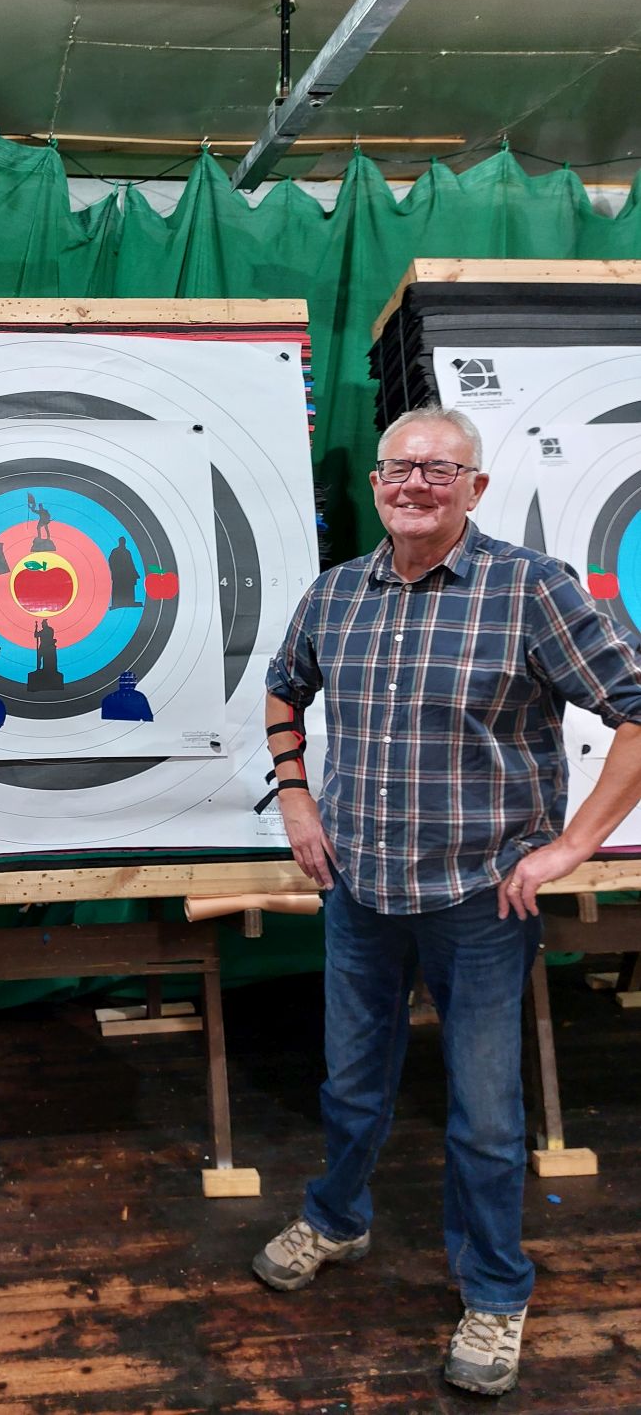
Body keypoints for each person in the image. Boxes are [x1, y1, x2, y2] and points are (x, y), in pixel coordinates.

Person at [254, 406, 641, 1397]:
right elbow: (284, 684)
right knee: (349, 1084)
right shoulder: (336, 593)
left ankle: (497, 1291)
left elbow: (636, 710)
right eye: (400, 468)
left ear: (475, 487)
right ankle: (337, 1219)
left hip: (481, 901)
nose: (415, 484)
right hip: (360, 888)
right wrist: (295, 796)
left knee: (484, 1116)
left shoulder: (530, 588)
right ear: (376, 484)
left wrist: (573, 846)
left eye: (439, 470)